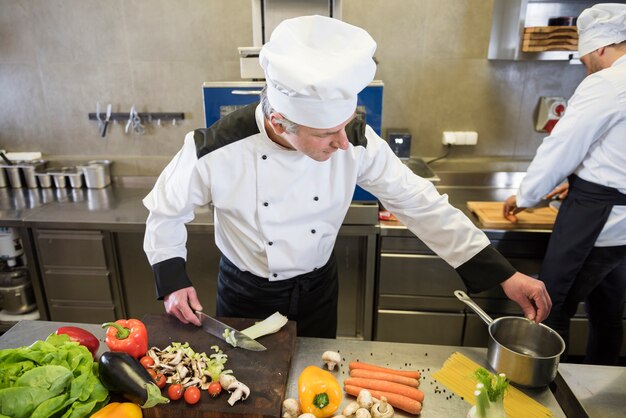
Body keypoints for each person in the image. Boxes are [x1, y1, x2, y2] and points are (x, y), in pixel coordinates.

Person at [144, 15, 550, 338]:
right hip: (246, 292)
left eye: (346, 124)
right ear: (279, 121)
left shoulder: (356, 141)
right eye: (325, 133)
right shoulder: (216, 148)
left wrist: (504, 274)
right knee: (251, 387)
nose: (343, 143)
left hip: (318, 289)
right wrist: (173, 280)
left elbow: (419, 203)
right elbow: (166, 211)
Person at [504, 3, 626, 365]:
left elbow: (562, 147)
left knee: (549, 305)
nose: (585, 64)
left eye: (585, 55)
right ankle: (598, 386)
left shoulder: (606, 83)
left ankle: (545, 394)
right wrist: (577, 182)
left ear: (601, 46)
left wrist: (526, 195)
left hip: (597, 220)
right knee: (608, 311)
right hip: (621, 226)